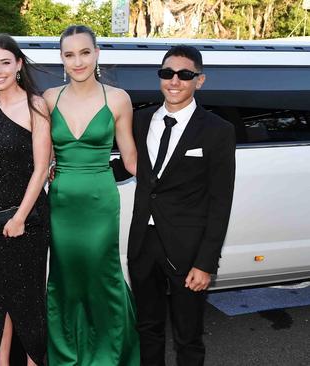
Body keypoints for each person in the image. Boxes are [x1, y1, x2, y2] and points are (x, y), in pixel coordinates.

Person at [123, 45, 236, 365]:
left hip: (188, 250)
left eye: (184, 75)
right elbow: (132, 166)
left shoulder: (218, 130)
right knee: (147, 328)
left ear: (199, 80)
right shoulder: (141, 119)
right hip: (143, 243)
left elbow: (220, 201)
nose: (174, 81)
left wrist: (206, 263)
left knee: (188, 336)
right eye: (167, 73)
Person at [42, 25, 140, 365]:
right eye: (70, 54)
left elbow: (130, 158)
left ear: (97, 54)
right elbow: (40, 156)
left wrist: (177, 178)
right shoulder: (49, 98)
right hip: (62, 200)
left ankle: (109, 355)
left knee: (103, 275)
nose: (78, 61)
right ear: (62, 60)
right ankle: (67, 355)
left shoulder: (117, 98)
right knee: (65, 279)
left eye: (84, 52)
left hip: (100, 199)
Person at [0, 34, 52, 366]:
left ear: (19, 65)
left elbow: (41, 168)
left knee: (28, 299)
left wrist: (20, 217)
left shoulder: (36, 104)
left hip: (28, 219)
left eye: (5, 62)